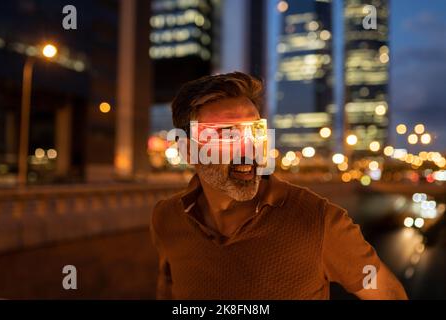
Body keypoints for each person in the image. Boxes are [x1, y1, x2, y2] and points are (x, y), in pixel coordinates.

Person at [150, 72, 408, 300]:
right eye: (226, 135)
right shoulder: (167, 218)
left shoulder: (320, 222)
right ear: (187, 150)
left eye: (255, 132)